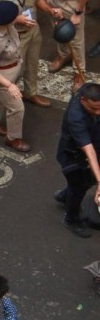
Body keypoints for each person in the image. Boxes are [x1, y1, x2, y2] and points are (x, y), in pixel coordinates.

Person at [0, 1, 32, 152]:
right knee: (16, 107)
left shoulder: (6, 25)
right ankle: (13, 138)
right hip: (0, 76)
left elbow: (13, 20)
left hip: (11, 69)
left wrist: (20, 19)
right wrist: (9, 85)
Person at [54, 83, 100, 237]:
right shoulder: (76, 118)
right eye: (93, 109)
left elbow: (77, 85)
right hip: (74, 157)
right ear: (82, 100)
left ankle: (64, 195)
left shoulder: (84, 91)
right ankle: (71, 219)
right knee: (80, 186)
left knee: (81, 184)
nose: (98, 112)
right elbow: (89, 150)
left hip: (92, 146)